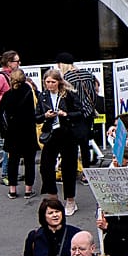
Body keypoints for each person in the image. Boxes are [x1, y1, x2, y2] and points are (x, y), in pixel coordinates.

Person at [36, 68, 89, 215]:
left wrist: (65, 114)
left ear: (59, 82)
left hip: (68, 133)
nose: (50, 85)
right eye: (47, 82)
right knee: (45, 167)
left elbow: (80, 113)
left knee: (68, 168)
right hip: (51, 133)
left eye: (53, 82)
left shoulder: (69, 95)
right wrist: (45, 115)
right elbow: (37, 116)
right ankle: (53, 198)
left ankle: (70, 200)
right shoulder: (43, 96)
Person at [0, 68, 38, 198]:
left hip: (12, 132)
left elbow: (0, 114)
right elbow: (35, 112)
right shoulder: (29, 93)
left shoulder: (7, 95)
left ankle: (12, 190)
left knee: (13, 161)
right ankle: (28, 190)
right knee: (29, 162)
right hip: (28, 131)